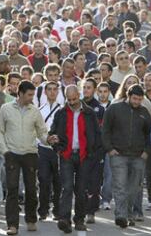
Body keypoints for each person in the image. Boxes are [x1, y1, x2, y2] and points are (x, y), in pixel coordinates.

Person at [0, 80, 49, 235]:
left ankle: (31, 219)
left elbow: (42, 132)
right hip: (12, 154)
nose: (32, 97)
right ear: (20, 93)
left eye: (33, 94)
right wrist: (5, 150)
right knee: (12, 189)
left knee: (31, 189)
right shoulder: (5, 109)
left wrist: (48, 140)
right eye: (29, 94)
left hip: (30, 154)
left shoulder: (35, 111)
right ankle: (12, 225)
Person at [48, 85, 102, 233]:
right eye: (69, 99)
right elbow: (52, 133)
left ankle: (79, 219)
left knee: (81, 189)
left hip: (85, 156)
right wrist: (54, 144)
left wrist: (93, 154)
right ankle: (64, 219)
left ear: (79, 95)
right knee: (67, 188)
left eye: (74, 99)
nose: (71, 102)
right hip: (66, 155)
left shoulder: (89, 113)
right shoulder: (61, 113)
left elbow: (97, 135)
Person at [102, 84, 151, 228]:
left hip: (138, 156)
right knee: (120, 186)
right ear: (128, 96)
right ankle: (121, 215)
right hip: (118, 154)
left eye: (140, 99)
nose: (137, 102)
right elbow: (105, 129)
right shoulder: (114, 109)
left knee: (134, 188)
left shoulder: (144, 112)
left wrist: (146, 152)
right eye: (135, 98)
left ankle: (128, 214)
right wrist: (110, 149)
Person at [37, 81, 61, 221]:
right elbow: (36, 131)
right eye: (49, 89)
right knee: (44, 180)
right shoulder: (39, 110)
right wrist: (42, 142)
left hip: (58, 150)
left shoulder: (63, 110)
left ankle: (57, 211)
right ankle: (43, 211)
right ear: (45, 92)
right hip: (43, 149)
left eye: (54, 89)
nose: (52, 92)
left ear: (58, 92)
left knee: (58, 182)